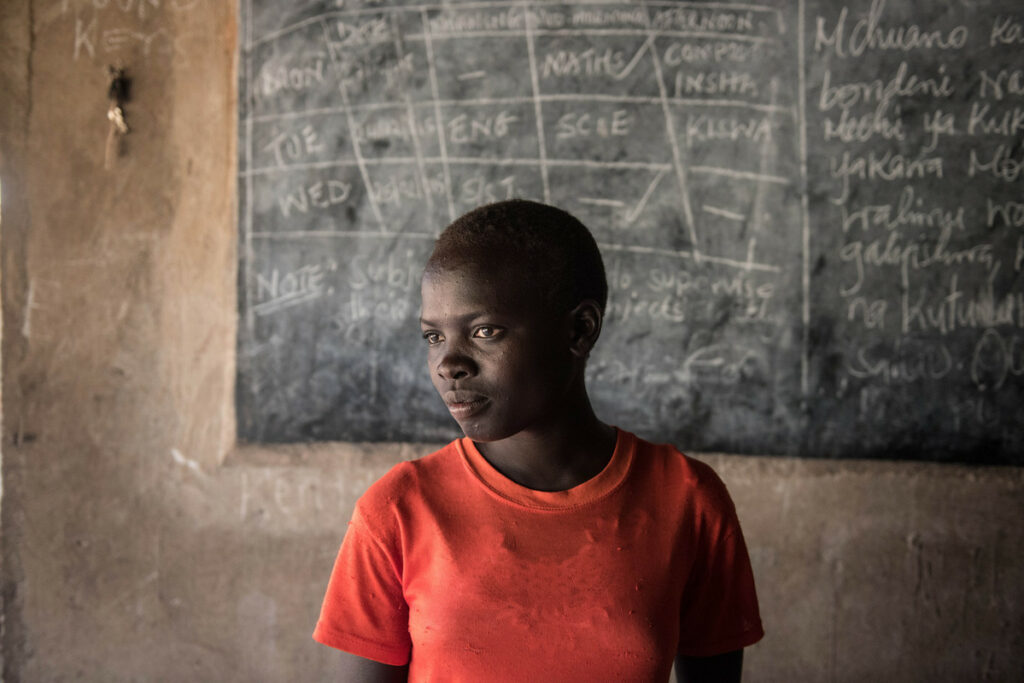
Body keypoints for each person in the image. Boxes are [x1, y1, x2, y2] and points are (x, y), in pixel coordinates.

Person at [313, 200, 764, 682]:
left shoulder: (686, 499)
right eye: (433, 337)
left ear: (579, 329)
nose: (449, 364)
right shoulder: (398, 511)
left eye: (484, 331)